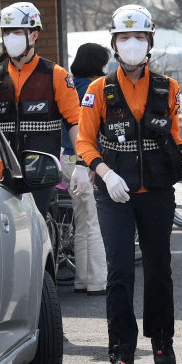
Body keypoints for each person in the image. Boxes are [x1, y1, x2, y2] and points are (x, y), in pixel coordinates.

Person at [75, 4, 182, 364]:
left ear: (150, 42)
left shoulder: (167, 87)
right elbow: (85, 143)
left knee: (159, 268)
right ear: (114, 44)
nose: (132, 44)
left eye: (139, 37)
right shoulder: (97, 90)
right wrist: (104, 174)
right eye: (125, 38)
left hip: (155, 189)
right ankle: (121, 352)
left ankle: (162, 341)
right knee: (120, 271)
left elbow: (170, 135)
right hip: (114, 192)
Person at [0, 1, 83, 215]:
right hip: (3, 170)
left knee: (37, 225)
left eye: (16, 32)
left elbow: (75, 122)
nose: (10, 38)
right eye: (6, 33)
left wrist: (82, 163)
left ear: (34, 35)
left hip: (42, 170)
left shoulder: (55, 74)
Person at [60, 43, 110, 296]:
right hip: (85, 160)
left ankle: (81, 279)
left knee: (81, 222)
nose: (105, 69)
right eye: (103, 64)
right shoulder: (93, 89)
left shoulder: (70, 86)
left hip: (67, 160)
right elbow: (92, 131)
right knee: (95, 222)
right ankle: (98, 282)